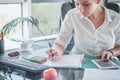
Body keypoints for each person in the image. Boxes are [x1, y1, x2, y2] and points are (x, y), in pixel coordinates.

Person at [46, 0, 120, 79]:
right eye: (77, 4)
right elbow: (60, 42)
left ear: (98, 1)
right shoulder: (72, 15)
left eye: (86, 4)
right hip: (79, 65)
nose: (80, 9)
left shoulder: (116, 18)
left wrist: (111, 52)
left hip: (106, 66)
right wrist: (56, 51)